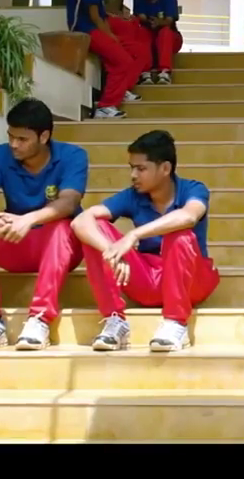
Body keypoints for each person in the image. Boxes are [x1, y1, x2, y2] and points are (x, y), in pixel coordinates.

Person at [71, 130, 220, 352]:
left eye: (141, 169)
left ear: (165, 168)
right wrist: (110, 251)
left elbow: (188, 217)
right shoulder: (133, 195)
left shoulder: (193, 189)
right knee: (96, 229)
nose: (133, 175)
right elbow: (80, 221)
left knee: (179, 234)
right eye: (131, 167)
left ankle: (176, 323)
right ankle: (114, 320)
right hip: (150, 280)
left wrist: (133, 235)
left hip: (191, 282)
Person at [0, 98, 89, 351]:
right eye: (11, 136)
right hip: (15, 241)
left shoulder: (73, 156)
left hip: (59, 246)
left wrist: (28, 220)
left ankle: (40, 318)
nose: (13, 144)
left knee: (62, 226)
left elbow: (69, 202)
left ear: (44, 136)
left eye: (22, 139)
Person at [65, 0, 148, 119]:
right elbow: (94, 15)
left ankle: (122, 89)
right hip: (87, 29)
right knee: (123, 61)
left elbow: (99, 12)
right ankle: (105, 106)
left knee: (139, 48)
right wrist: (110, 36)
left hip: (97, 24)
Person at [132, 0, 183, 85]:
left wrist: (159, 23)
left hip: (169, 40)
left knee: (165, 32)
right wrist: (150, 22)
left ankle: (165, 72)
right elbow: (141, 17)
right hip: (149, 40)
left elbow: (169, 20)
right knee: (142, 32)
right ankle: (145, 72)